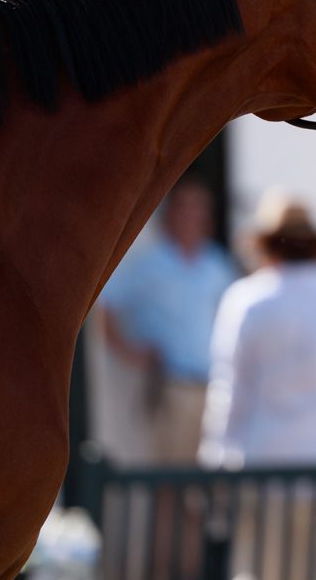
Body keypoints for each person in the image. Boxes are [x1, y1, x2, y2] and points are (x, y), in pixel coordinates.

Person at [199, 193, 316, 468]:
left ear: (265, 245)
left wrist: (215, 454)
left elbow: (230, 385)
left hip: (265, 461)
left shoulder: (246, 298)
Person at [99, 176, 237, 464]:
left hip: (213, 388)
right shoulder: (149, 263)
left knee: (209, 473)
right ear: (170, 214)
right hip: (171, 384)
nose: (192, 216)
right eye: (184, 207)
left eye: (198, 208)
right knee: (170, 475)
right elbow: (106, 304)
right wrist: (130, 352)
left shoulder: (216, 264)